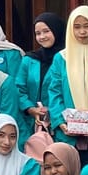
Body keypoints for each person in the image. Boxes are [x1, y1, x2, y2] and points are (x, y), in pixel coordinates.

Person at [46, 6, 88, 152]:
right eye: (77, 27)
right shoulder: (62, 58)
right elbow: (54, 92)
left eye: (87, 26)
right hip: (70, 133)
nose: (82, 32)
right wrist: (59, 121)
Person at [17, 13, 64, 142]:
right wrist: (31, 109)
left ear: (57, 30)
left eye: (46, 31)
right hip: (32, 124)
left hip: (61, 123)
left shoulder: (66, 58)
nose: (42, 36)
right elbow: (19, 89)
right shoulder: (29, 59)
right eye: (38, 33)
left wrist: (55, 113)